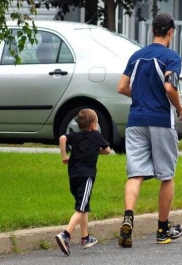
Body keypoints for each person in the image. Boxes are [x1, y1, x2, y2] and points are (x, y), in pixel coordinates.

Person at [117, 13, 182, 248]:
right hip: (160, 121)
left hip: (136, 121)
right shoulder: (171, 57)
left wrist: (141, 95)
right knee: (166, 176)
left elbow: (122, 87)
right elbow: (170, 86)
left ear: (152, 31)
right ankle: (162, 229)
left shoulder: (136, 56)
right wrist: (179, 108)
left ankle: (128, 218)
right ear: (170, 32)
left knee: (135, 174)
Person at [55, 108, 111, 256]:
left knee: (84, 205)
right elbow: (107, 150)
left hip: (73, 175)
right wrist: (95, 149)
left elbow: (62, 138)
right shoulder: (96, 136)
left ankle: (85, 238)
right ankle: (65, 234)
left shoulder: (75, 135)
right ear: (94, 125)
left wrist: (64, 156)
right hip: (87, 176)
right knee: (81, 208)